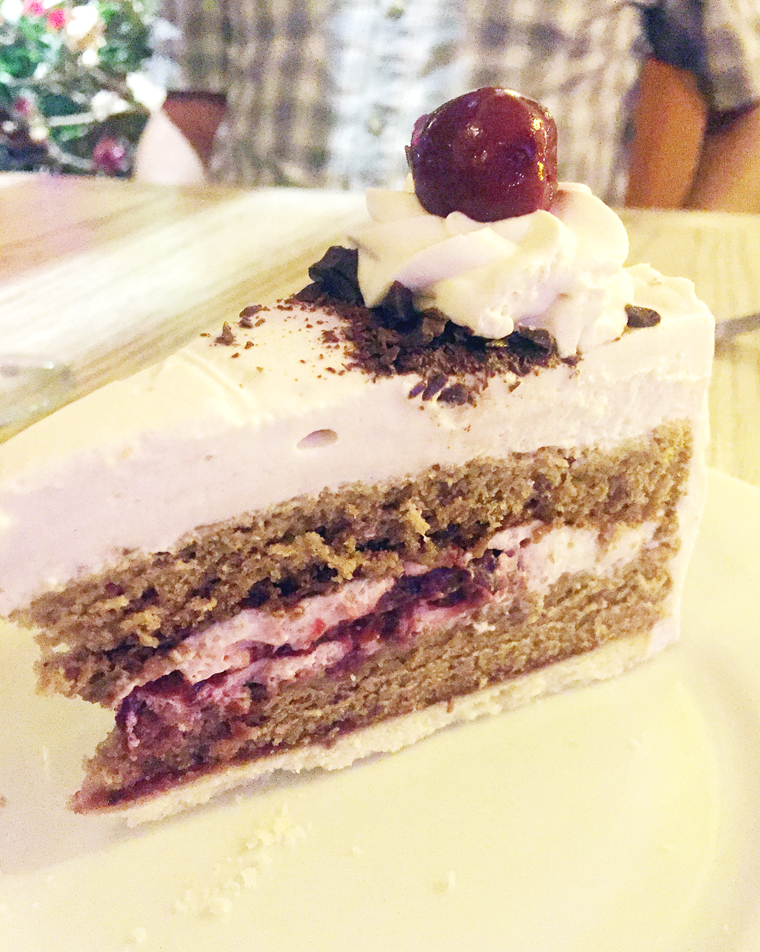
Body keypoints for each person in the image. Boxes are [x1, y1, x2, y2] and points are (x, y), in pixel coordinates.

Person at [135, 0, 760, 211]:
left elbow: (748, 104)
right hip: (257, 296)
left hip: (525, 313)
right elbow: (190, 106)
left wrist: (684, 265)